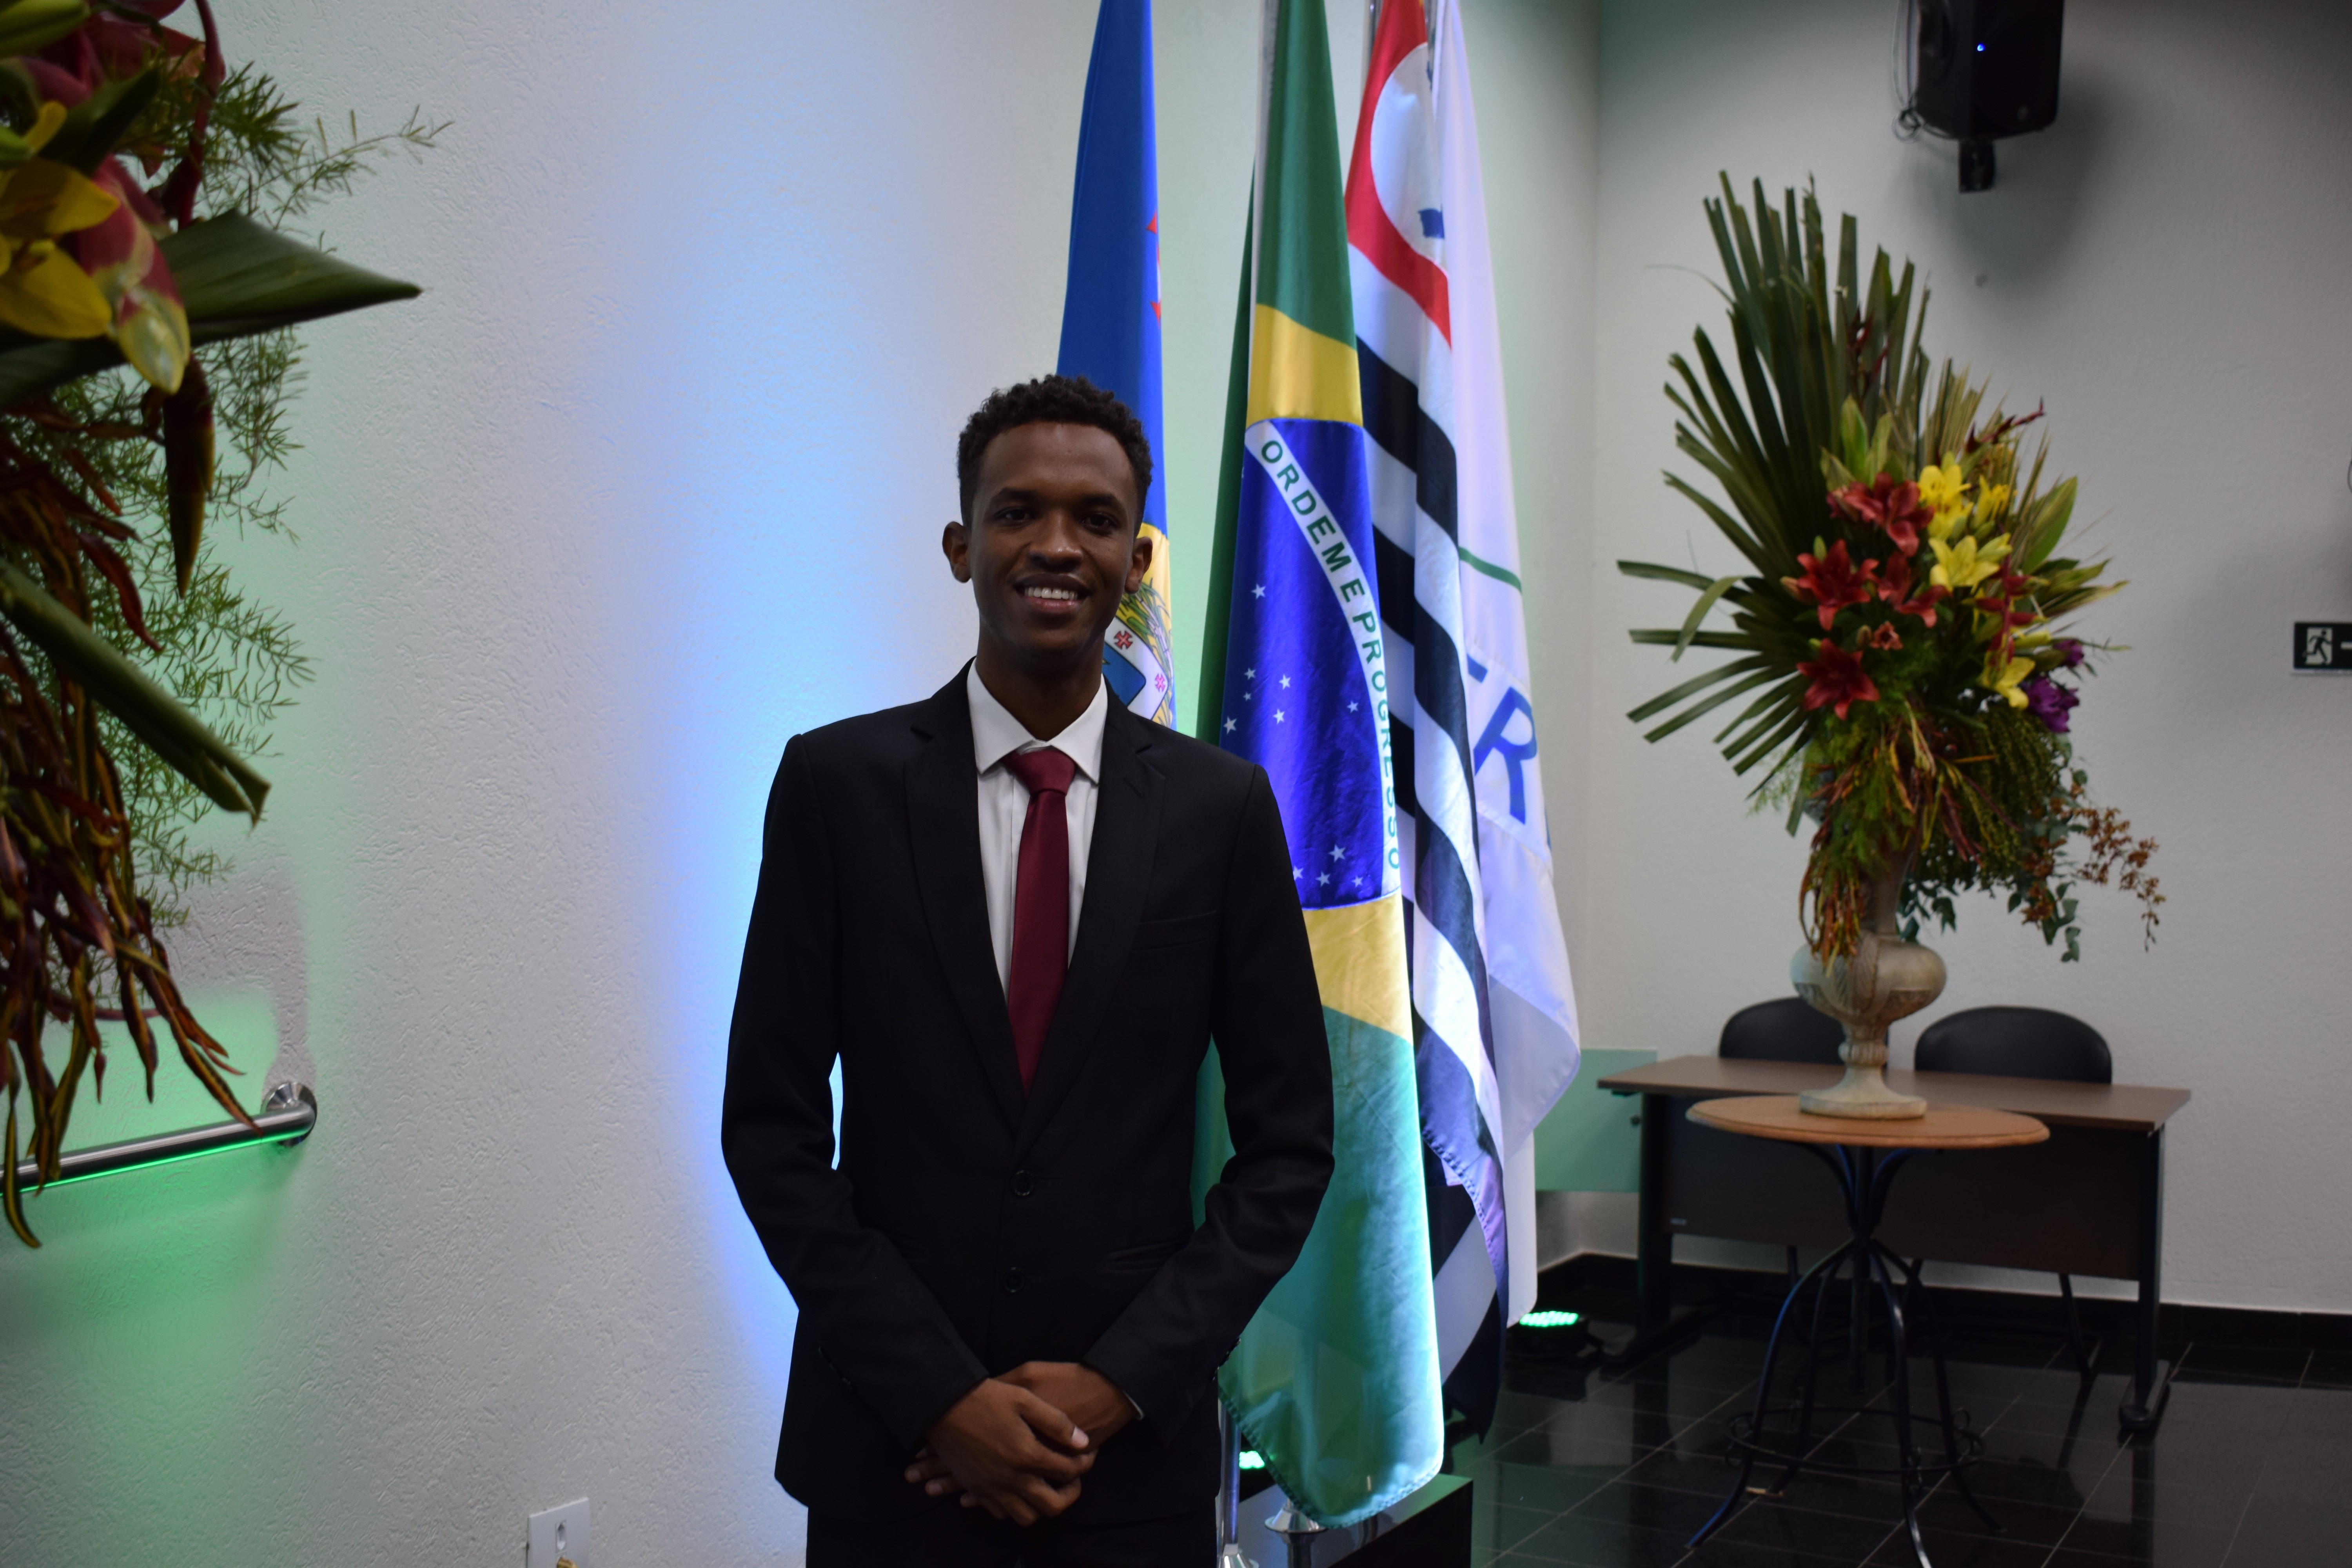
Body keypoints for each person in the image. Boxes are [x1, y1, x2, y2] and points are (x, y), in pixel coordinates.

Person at [722, 375, 1334, 1567]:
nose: (1056, 545)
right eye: (1017, 512)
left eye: (1095, 519)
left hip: (1128, 1465)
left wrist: (1120, 1383)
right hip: (891, 1455)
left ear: (1135, 559)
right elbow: (771, 1130)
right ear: (962, 546)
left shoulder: (1221, 811)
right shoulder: (835, 789)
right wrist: (937, 1395)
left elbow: (1290, 1147)